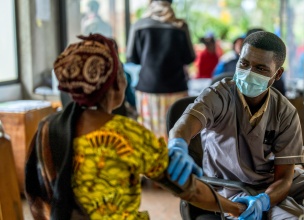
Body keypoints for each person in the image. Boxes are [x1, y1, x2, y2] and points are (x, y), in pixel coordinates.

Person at [24, 34, 247, 220]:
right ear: (115, 84)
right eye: (122, 73)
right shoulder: (128, 135)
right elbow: (193, 190)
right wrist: (238, 208)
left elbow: (37, 197)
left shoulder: (48, 128)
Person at [168, 31, 304, 219]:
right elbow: (186, 123)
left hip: (276, 184)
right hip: (235, 188)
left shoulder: (285, 111)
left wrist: (265, 199)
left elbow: (285, 177)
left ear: (277, 74)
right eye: (244, 64)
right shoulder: (218, 96)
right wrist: (177, 144)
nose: (248, 73)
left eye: (260, 68)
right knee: (291, 216)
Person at [126, 0, 195, 140]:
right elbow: (189, 57)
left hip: (148, 90)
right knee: (176, 133)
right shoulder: (181, 26)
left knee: (150, 137)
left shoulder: (139, 25)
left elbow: (131, 57)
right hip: (176, 89)